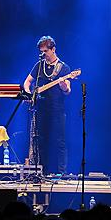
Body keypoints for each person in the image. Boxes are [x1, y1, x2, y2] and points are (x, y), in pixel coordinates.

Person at [22, 36, 73, 174]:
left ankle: (62, 172)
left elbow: (68, 91)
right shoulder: (39, 65)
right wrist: (28, 93)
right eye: (41, 51)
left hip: (57, 110)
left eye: (45, 51)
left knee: (60, 141)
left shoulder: (64, 68)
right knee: (40, 140)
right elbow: (27, 82)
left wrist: (63, 85)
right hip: (41, 109)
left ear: (53, 49)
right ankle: (41, 171)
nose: (43, 54)